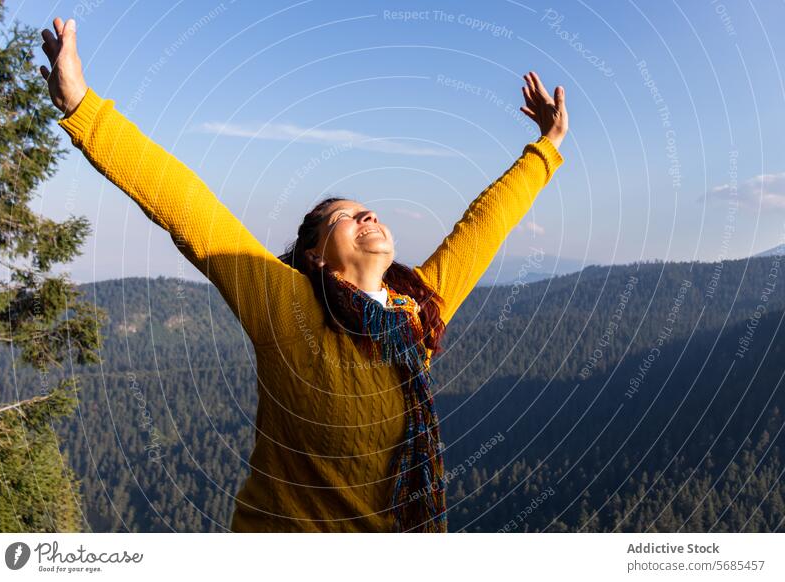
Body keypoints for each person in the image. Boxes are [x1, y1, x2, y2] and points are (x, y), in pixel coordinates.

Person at [40, 16, 567, 533]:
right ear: (314, 256)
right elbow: (189, 208)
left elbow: (483, 227)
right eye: (346, 215)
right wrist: (84, 107)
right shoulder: (285, 304)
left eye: (371, 210)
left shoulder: (418, 311)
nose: (369, 216)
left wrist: (547, 145)